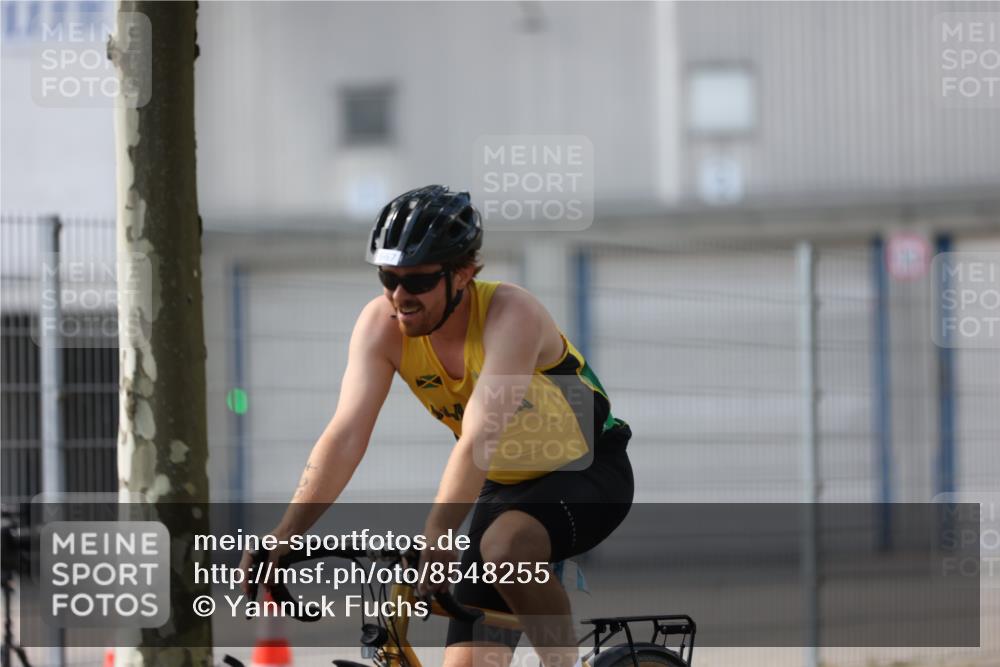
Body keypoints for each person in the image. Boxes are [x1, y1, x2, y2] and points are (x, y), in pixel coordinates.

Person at [242, 185, 634, 667]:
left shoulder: (512, 315)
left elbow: (480, 434)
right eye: (388, 278)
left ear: (463, 273)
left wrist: (438, 533)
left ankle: (562, 663)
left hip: (587, 471)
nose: (399, 297)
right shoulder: (381, 325)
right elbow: (345, 436)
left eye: (419, 281)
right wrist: (286, 532)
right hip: (504, 486)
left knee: (506, 548)